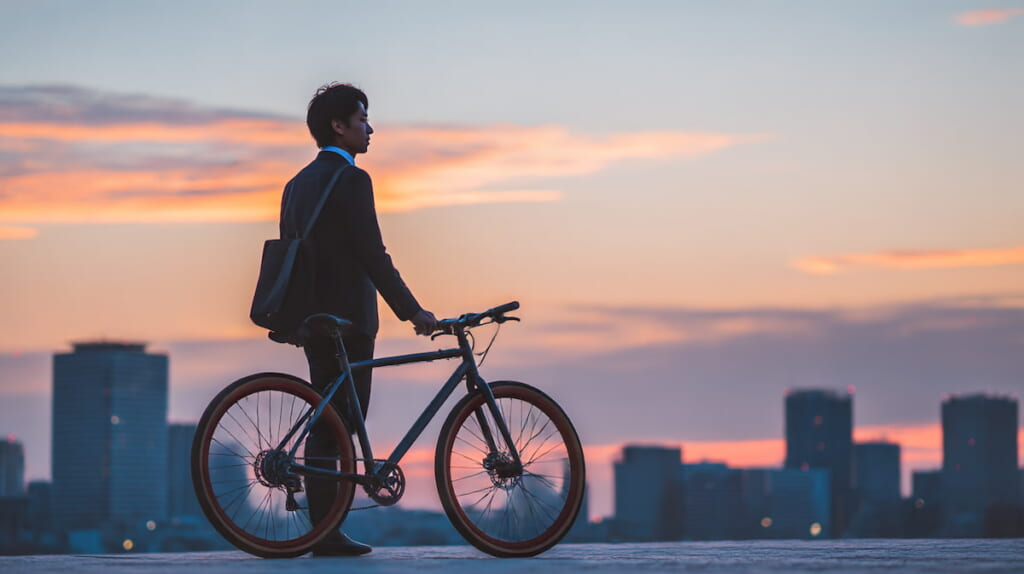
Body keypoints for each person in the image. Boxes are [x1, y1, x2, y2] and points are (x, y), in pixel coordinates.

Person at [280, 83, 437, 556]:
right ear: (339, 125)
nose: (370, 128)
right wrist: (413, 311)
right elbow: (372, 253)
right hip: (348, 320)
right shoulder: (352, 179)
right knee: (340, 422)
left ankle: (321, 529)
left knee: (327, 421)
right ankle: (326, 534)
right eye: (363, 118)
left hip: (312, 317)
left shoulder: (296, 183)